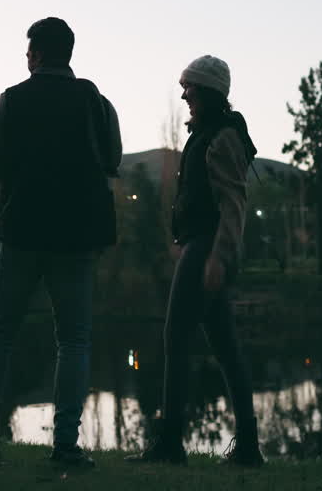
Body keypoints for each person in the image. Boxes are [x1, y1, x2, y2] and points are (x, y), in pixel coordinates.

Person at [0, 17, 121, 468]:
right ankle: (65, 447)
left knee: (0, 331)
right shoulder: (96, 101)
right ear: (70, 54)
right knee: (73, 340)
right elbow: (111, 158)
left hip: (21, 231)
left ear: (34, 54)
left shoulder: (11, 100)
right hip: (76, 237)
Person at [127, 55, 264, 467]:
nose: (183, 94)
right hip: (201, 247)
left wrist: (217, 257)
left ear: (207, 91)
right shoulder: (208, 132)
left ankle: (170, 445)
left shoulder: (221, 137)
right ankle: (249, 449)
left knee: (175, 338)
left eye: (190, 87)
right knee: (225, 347)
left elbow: (234, 203)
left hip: (207, 249)